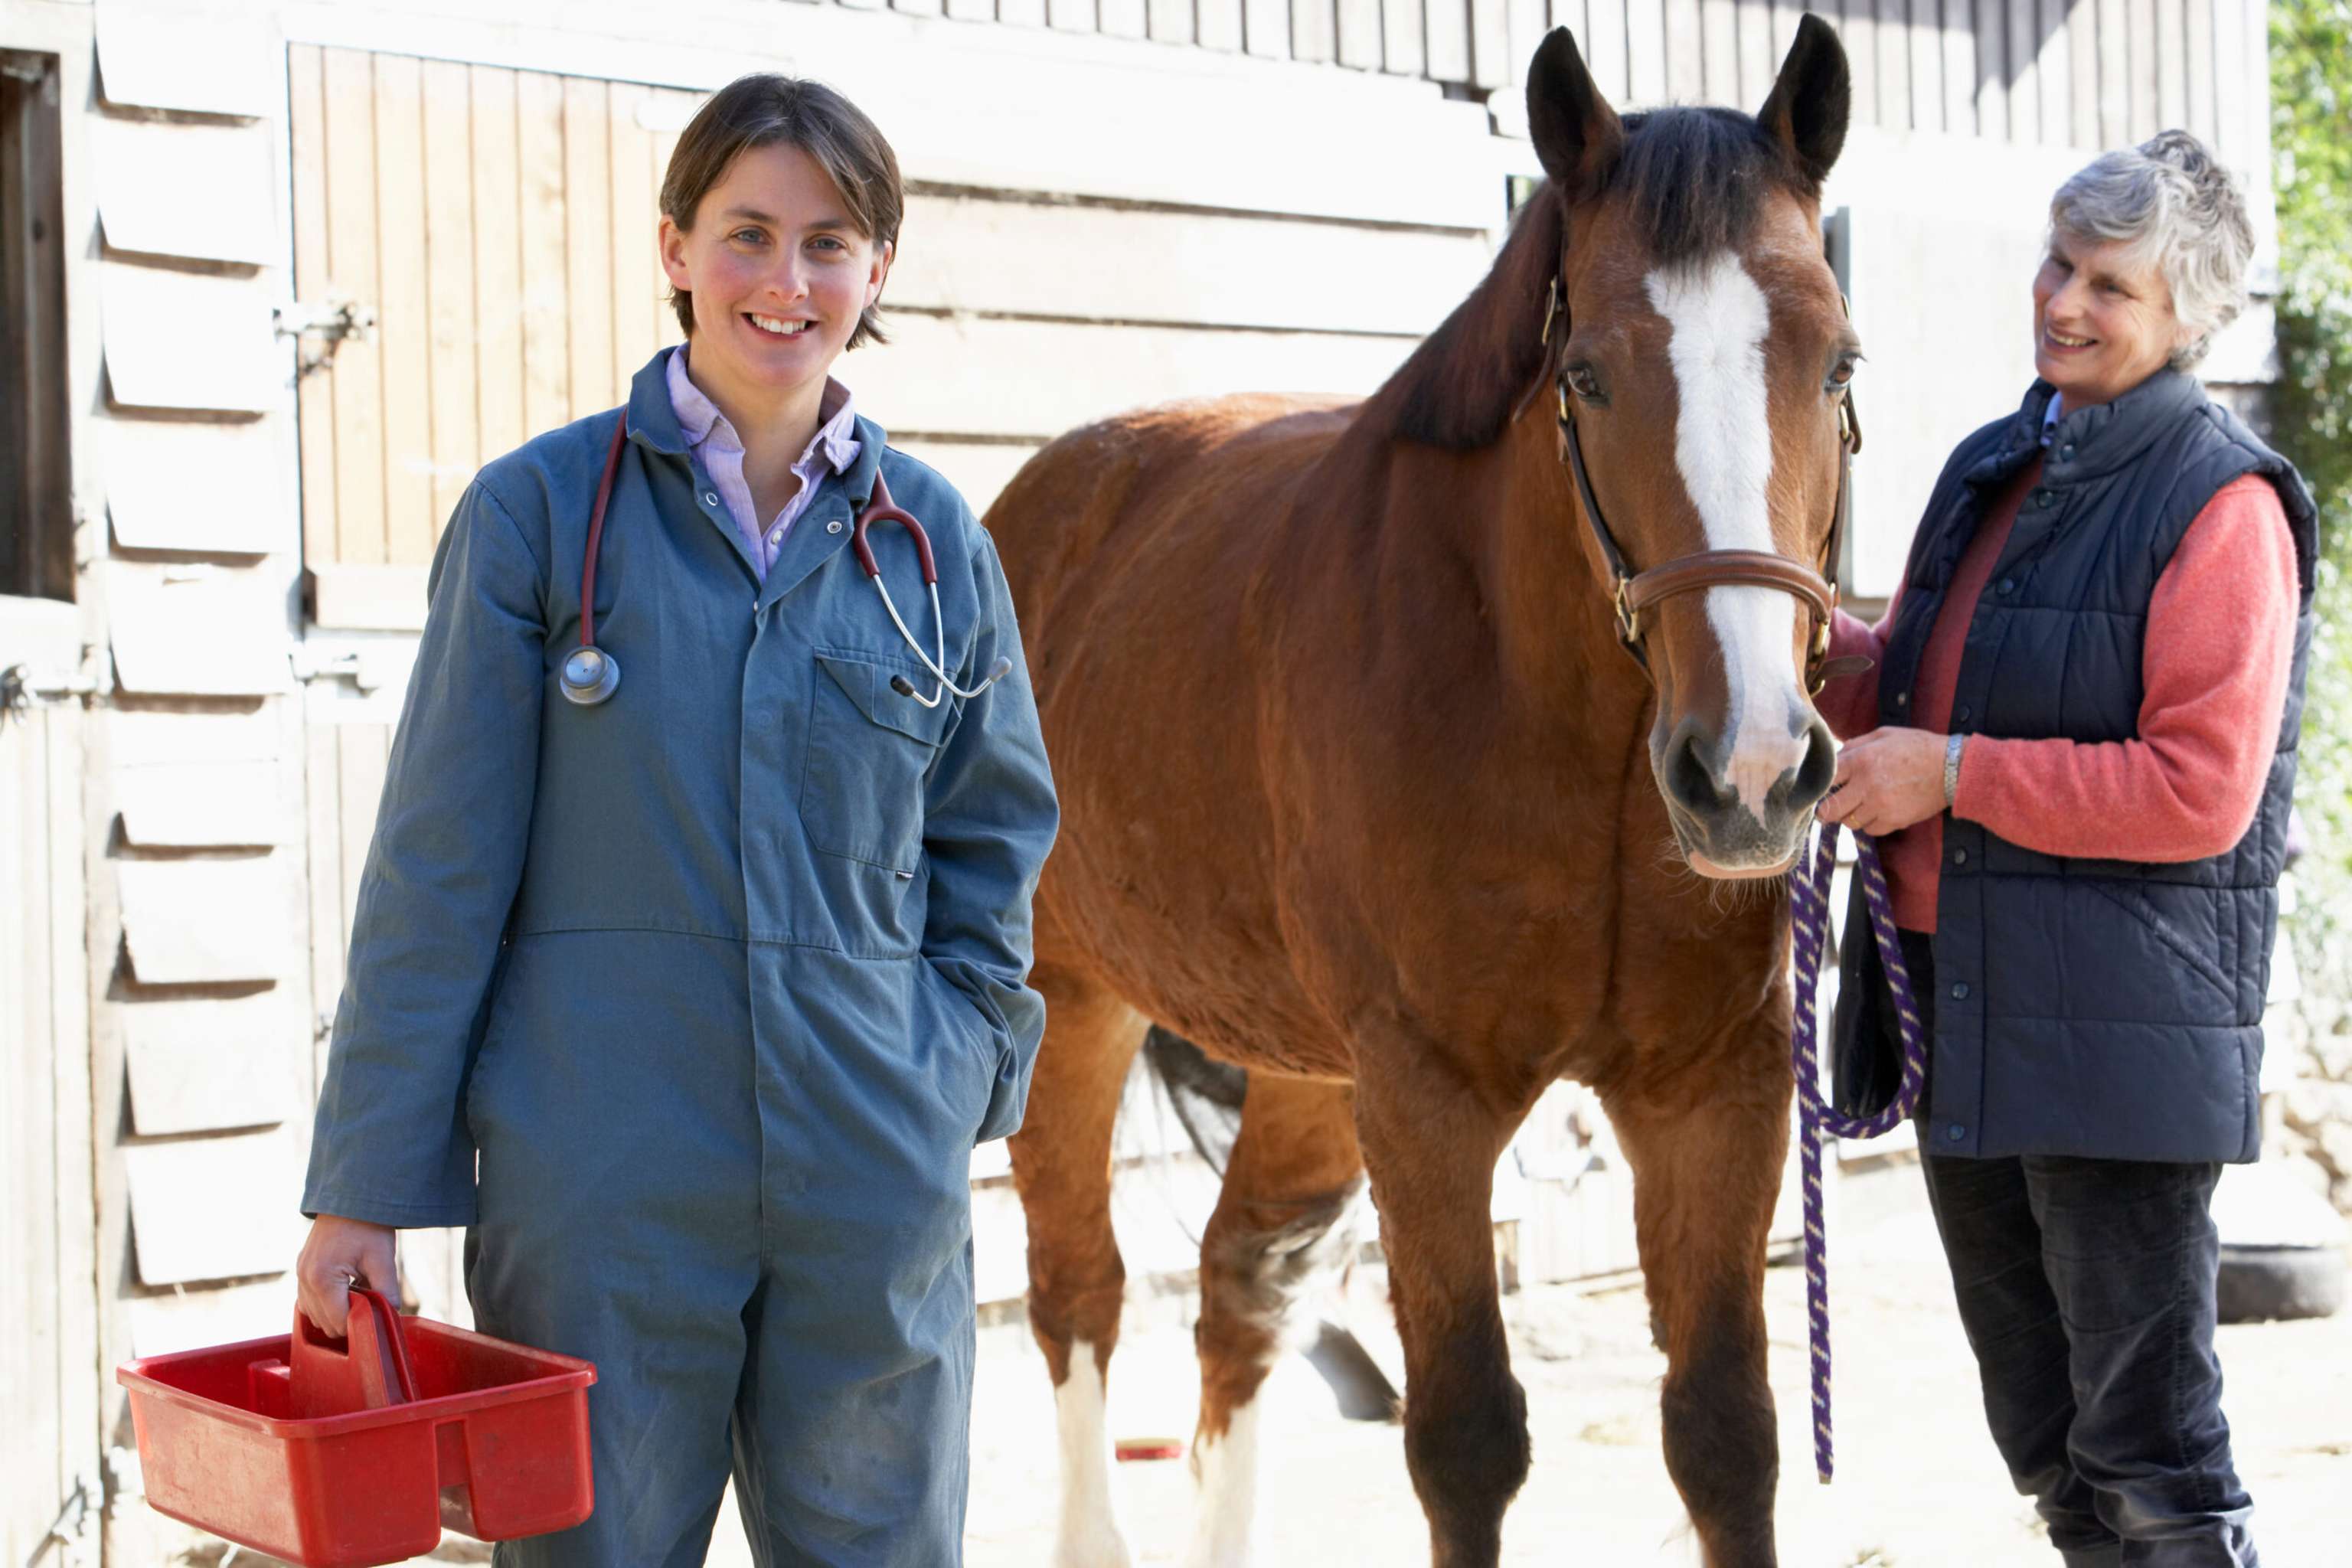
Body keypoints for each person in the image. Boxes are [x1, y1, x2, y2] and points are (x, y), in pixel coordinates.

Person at [292, 75, 1059, 1567]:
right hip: (604, 1183)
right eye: (748, 234)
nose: (787, 281)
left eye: (830, 243)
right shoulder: (538, 516)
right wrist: (359, 1191)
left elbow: (993, 844)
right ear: (675, 248)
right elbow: (435, 871)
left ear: (878, 271)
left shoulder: (935, 546)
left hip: (867, 1182)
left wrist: (944, 1075)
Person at [1815, 129, 2314, 1568]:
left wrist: (1951, 775)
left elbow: (2198, 791)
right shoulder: (1998, 459)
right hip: (1957, 997)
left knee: (2151, 1449)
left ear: (2187, 322)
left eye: (2112, 286)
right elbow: (1912, 674)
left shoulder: (2221, 503)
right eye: (2058, 263)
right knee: (2047, 1442)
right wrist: (1805, 651)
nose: (2066, 303)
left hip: (2111, 1039)